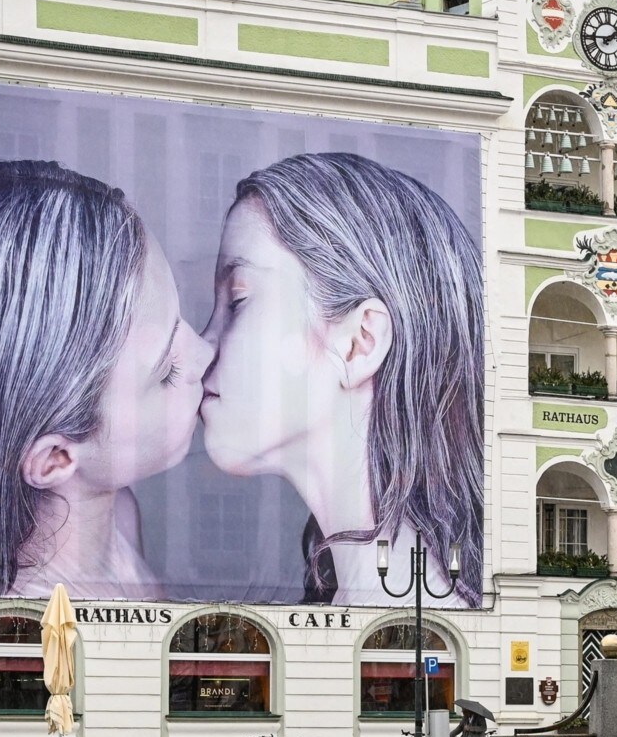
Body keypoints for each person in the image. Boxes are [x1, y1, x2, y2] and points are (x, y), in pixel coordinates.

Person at [200, 152, 484, 607]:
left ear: (360, 342)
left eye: (238, 299)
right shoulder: (378, 599)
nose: (202, 345)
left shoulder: (410, 614)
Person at [0, 161, 212, 597]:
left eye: (180, 318)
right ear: (54, 458)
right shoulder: (27, 627)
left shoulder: (120, 515)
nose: (205, 352)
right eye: (166, 372)